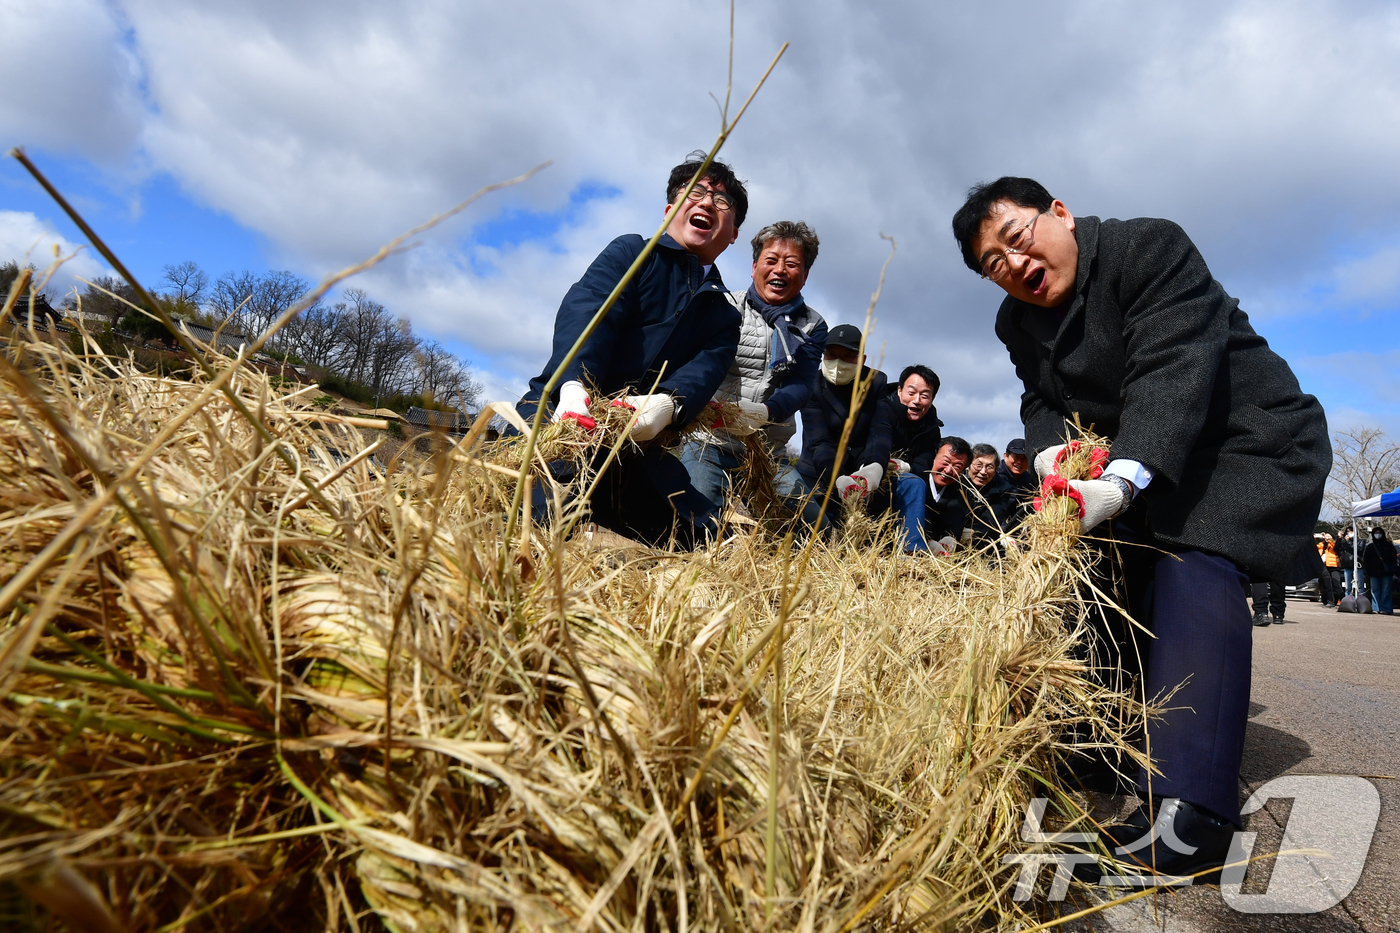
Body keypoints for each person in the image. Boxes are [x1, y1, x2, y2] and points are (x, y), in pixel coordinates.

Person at [951, 176, 1330, 880]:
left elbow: (1171, 369)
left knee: (1192, 546)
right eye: (994, 266)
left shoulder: (1147, 247)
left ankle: (1192, 811)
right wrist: (1053, 455)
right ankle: (1098, 741)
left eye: (1017, 238)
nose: (1015, 267)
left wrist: (1123, 479)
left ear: (1058, 212)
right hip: (1143, 454)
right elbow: (1042, 398)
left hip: (1241, 438)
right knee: (1097, 567)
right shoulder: (1015, 323)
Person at [517, 155, 749, 548]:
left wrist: (666, 406)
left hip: (636, 447)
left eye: (721, 201)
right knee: (538, 506)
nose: (707, 203)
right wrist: (574, 387)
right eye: (694, 193)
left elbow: (705, 371)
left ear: (733, 234)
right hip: (562, 415)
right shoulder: (632, 253)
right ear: (669, 210)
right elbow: (589, 311)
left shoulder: (724, 316)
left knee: (706, 539)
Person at [679, 221, 828, 526]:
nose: (780, 270)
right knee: (694, 523)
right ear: (754, 266)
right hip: (711, 441)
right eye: (771, 260)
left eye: (792, 264)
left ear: (805, 275)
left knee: (814, 528)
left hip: (769, 451)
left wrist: (763, 412)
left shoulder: (813, 324)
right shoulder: (726, 306)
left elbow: (801, 384)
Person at [857, 364, 945, 552]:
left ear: (933, 398)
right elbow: (879, 439)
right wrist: (878, 466)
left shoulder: (932, 428)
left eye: (924, 395)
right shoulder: (882, 407)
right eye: (911, 392)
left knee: (915, 484)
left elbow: (924, 464)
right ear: (899, 390)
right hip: (868, 470)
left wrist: (903, 467)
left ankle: (912, 552)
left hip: (904, 481)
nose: (916, 401)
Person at [796, 324, 888, 499]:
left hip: (861, 474)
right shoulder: (811, 385)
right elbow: (819, 441)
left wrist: (875, 465)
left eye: (847, 357)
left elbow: (880, 429)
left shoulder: (875, 382)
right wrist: (838, 478)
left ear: (861, 359)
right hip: (818, 476)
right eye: (831, 355)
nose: (838, 363)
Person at [922, 437, 973, 555]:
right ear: (934, 456)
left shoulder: (962, 491)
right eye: (945, 462)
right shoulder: (917, 478)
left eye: (957, 466)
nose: (948, 470)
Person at [961, 442, 1016, 546]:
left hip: (983, 543)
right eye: (979, 465)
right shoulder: (956, 482)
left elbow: (991, 523)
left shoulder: (1003, 488)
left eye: (989, 467)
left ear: (996, 470)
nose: (983, 471)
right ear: (968, 465)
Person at [1363, 526, 1397, 615]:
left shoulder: (1389, 546)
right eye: (1376, 533)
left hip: (1386, 572)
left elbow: (1393, 559)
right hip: (1373, 572)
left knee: (1386, 590)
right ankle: (1376, 607)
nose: (1378, 535)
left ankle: (1386, 608)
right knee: (1374, 590)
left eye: (1380, 533)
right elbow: (1366, 560)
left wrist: (1394, 569)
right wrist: (1367, 571)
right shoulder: (1370, 547)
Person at [1317, 533, 1341, 607]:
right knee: (1327, 585)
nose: (1326, 537)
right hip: (1324, 567)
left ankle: (1342, 599)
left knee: (1336, 584)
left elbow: (1336, 546)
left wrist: (1330, 539)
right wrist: (1314, 538)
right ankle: (1330, 601)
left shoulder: (1334, 543)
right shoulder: (1322, 545)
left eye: (1328, 536)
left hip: (1334, 566)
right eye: (1325, 536)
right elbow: (1315, 548)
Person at [1337, 526, 1358, 600]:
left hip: (1357, 566)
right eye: (1348, 531)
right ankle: (1348, 601)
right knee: (1348, 587)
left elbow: (1358, 549)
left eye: (1351, 531)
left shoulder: (1359, 541)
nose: (1350, 533)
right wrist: (1339, 538)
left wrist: (1349, 541)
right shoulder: (1344, 542)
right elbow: (1337, 548)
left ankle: (1359, 601)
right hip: (1347, 566)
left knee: (1359, 586)